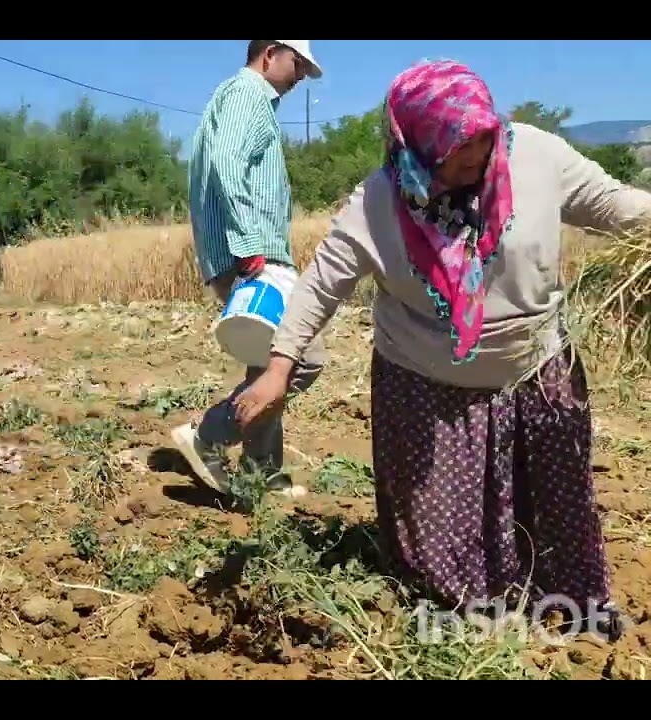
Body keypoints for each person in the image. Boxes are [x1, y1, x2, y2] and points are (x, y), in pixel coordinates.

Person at [234, 59, 651, 640]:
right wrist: (279, 367)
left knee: (555, 508)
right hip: (426, 383)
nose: (478, 156)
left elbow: (613, 206)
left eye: (484, 139)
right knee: (438, 531)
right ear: (420, 144)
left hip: (534, 367)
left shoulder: (535, 156)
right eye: (460, 147)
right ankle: (457, 621)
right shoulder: (380, 203)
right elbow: (321, 284)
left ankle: (569, 605)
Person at [181, 40, 326, 494]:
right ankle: (208, 435)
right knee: (302, 356)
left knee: (267, 361)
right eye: (297, 62)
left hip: (250, 253)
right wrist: (247, 242)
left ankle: (262, 473)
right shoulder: (247, 94)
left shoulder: (235, 96)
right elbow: (227, 163)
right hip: (253, 254)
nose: (301, 74)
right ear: (270, 53)